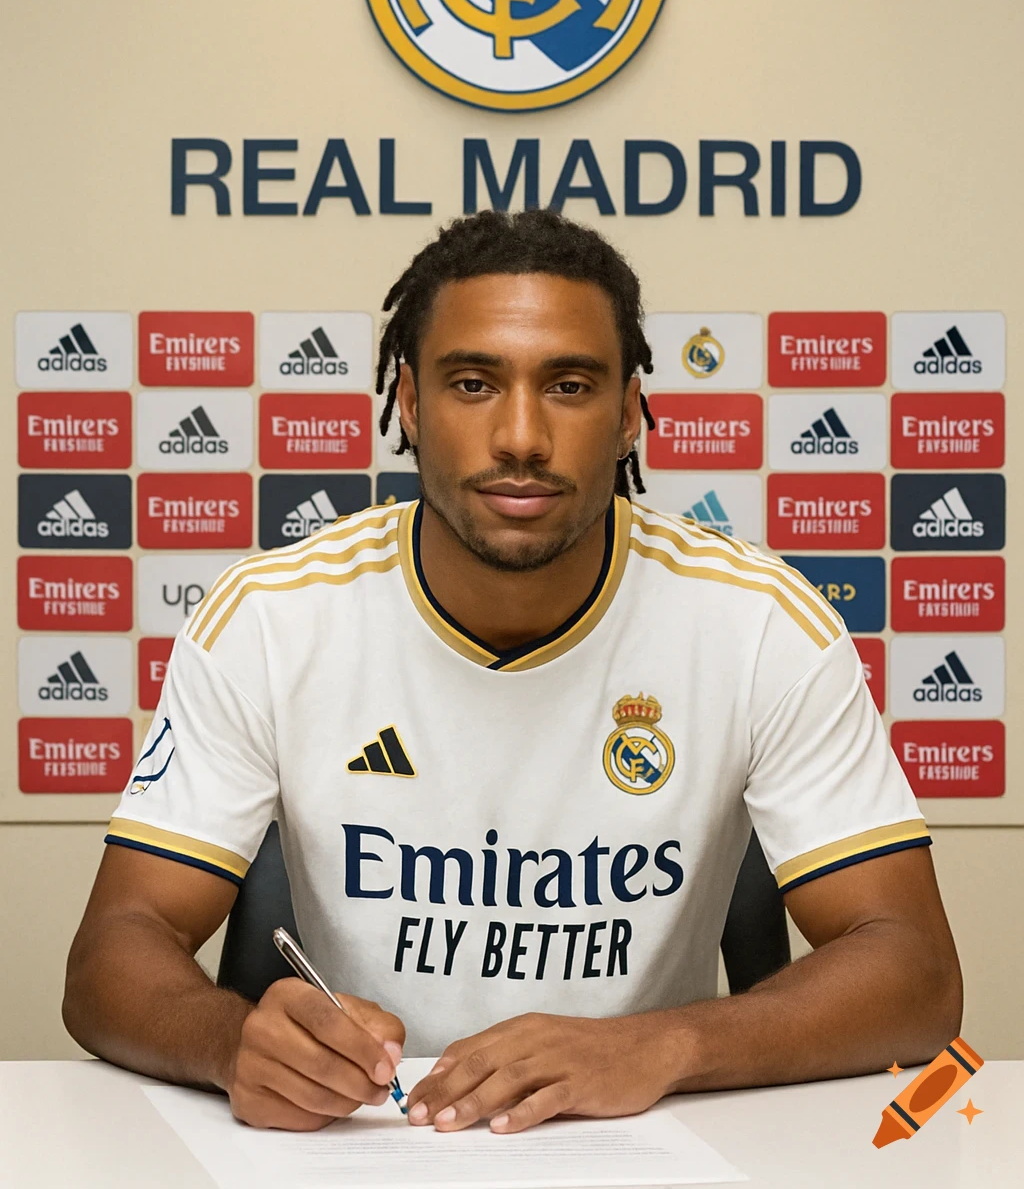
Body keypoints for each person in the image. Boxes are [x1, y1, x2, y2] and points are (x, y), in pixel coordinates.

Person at [64, 209, 961, 1135]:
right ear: (409, 403)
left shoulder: (759, 621)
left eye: (569, 385)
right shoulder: (272, 618)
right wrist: (232, 1044)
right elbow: (112, 955)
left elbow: (915, 970)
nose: (522, 435)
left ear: (630, 412)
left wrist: (665, 1046)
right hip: (365, 1144)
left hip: (642, 1138)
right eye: (473, 383)